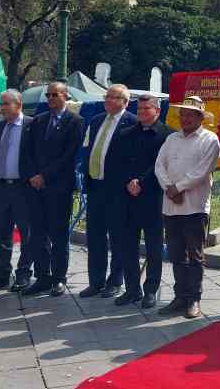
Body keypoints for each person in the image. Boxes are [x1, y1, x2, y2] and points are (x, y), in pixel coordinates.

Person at [154, 96, 220, 319]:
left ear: (200, 117)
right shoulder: (172, 138)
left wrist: (179, 188)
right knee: (176, 254)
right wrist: (168, 188)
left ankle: (194, 298)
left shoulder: (210, 139)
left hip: (195, 206)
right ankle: (180, 296)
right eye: (183, 114)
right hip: (170, 206)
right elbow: (159, 165)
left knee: (195, 255)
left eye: (191, 114)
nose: (186, 118)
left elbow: (202, 170)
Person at [24, 81, 85, 296]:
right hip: (36, 187)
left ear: (65, 96)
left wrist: (44, 175)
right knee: (37, 234)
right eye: (48, 95)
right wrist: (33, 175)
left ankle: (59, 277)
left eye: (54, 95)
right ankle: (42, 276)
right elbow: (28, 151)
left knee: (58, 235)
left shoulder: (75, 121)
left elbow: (69, 155)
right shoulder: (39, 120)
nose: (50, 99)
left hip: (58, 187)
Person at [111, 94, 171, 307]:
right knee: (128, 246)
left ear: (157, 110)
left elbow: (162, 166)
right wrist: (129, 181)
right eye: (139, 109)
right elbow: (117, 162)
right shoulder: (126, 134)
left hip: (153, 198)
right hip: (128, 198)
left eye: (147, 109)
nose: (142, 113)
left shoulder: (167, 135)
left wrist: (141, 183)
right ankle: (132, 289)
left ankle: (151, 290)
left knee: (154, 248)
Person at [81, 84, 137, 299]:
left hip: (117, 191)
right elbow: (88, 149)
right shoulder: (96, 121)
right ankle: (95, 281)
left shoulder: (131, 122)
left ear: (124, 101)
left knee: (118, 237)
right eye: (107, 96)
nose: (108, 100)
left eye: (114, 97)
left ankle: (115, 281)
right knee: (94, 237)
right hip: (95, 187)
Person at [0, 89, 36, 292]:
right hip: (1, 188)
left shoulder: (31, 125)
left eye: (6, 104)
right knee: (2, 234)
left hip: (23, 189)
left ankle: (23, 275)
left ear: (18, 104)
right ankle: (1, 276)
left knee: (27, 235)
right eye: (1, 104)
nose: (1, 108)